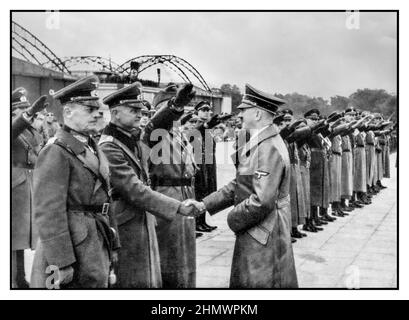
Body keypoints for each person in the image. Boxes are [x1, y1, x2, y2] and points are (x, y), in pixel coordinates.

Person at [188, 84, 298, 288]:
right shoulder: (262, 142)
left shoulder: (268, 147)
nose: (239, 116)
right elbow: (241, 183)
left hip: (263, 232)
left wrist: (233, 218)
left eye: (244, 111)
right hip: (258, 228)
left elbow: (262, 200)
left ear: (257, 114)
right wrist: (205, 205)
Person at [99, 83, 199, 288]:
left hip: (142, 219)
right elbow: (134, 189)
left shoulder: (130, 137)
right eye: (133, 110)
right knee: (132, 278)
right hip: (126, 222)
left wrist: (176, 106)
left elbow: (155, 126)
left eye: (141, 111)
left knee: (151, 276)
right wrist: (177, 206)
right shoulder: (109, 145)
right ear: (115, 113)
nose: (140, 114)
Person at [30, 75, 119, 288]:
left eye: (98, 109)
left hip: (94, 239)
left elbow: (105, 199)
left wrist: (114, 244)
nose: (98, 113)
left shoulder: (91, 145)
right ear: (68, 112)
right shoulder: (56, 150)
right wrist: (61, 262)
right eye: (89, 109)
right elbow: (48, 211)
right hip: (67, 248)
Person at [144, 83, 198, 288]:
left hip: (184, 197)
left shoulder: (180, 135)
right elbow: (156, 125)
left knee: (186, 258)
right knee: (170, 260)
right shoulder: (152, 135)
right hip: (166, 199)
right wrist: (173, 106)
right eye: (169, 109)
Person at [11, 88, 47, 288]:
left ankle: (19, 279)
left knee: (22, 237)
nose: (25, 112)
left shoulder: (30, 129)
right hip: (14, 186)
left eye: (26, 108)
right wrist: (28, 115)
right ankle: (11, 281)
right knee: (12, 237)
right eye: (20, 109)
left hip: (28, 183)